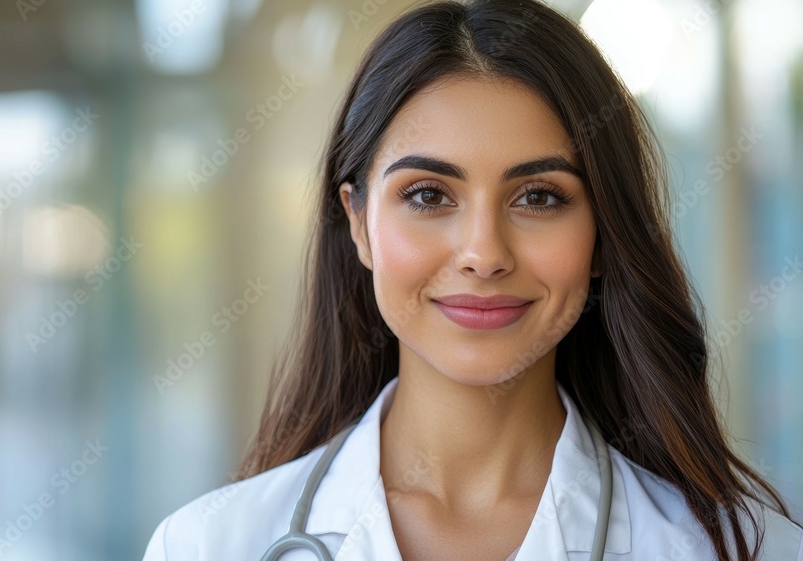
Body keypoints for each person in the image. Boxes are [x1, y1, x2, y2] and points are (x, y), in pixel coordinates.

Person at [142, 0, 803, 559]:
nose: (484, 254)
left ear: (603, 235)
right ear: (360, 223)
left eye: (539, 197)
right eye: (429, 195)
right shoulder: (207, 544)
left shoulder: (743, 548)